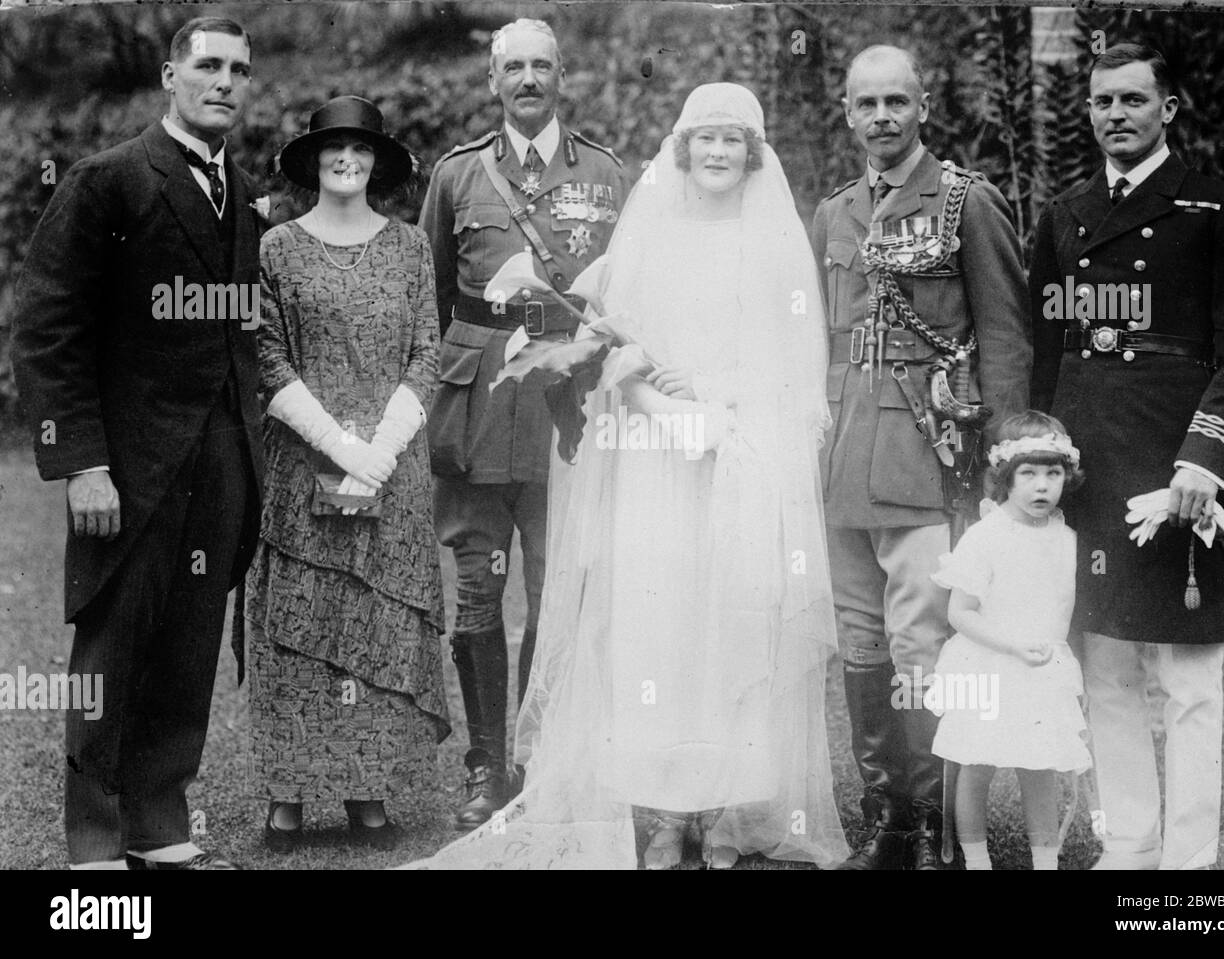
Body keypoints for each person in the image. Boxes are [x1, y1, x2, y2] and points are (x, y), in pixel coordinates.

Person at [403, 82, 848, 870]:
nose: (717, 153)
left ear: (753, 155)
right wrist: (662, 405)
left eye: (733, 141)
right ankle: (666, 811)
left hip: (740, 457)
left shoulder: (775, 241)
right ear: (682, 149)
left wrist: (720, 404)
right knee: (660, 636)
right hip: (655, 461)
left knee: (730, 633)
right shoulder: (648, 238)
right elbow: (612, 347)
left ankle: (721, 809)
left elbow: (795, 361)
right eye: (704, 139)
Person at [10, 17, 263, 870]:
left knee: (187, 646)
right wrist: (82, 461)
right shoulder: (108, 179)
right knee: (111, 648)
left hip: (218, 460)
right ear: (169, 75)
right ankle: (93, 842)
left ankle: (159, 827)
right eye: (209, 66)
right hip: (127, 465)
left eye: (239, 69)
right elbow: (48, 327)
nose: (225, 81)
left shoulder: (243, 193)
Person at [1030, 43, 1224, 870]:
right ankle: (1129, 846)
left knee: (1189, 684)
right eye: (1102, 103)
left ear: (1168, 108)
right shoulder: (1065, 215)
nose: (1115, 116)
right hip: (1093, 470)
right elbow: (1044, 351)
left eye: (1133, 101)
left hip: (1181, 471)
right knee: (1104, 666)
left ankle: (1189, 861)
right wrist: (1035, 454)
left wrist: (1203, 466)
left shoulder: (1214, 208)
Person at [811, 44, 1031, 869]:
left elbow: (1005, 335)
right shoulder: (836, 212)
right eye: (866, 104)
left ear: (924, 105)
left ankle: (936, 818)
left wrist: (1007, 462)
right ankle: (887, 817)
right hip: (844, 455)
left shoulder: (967, 202)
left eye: (895, 102)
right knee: (861, 639)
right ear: (847, 112)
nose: (881, 118)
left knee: (921, 642)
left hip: (928, 452)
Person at [417, 18, 626, 830]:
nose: (529, 80)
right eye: (515, 68)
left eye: (543, 66)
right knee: (478, 586)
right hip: (478, 408)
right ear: (493, 80)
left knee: (557, 586)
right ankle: (484, 763)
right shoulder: (459, 176)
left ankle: (540, 754)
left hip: (566, 410)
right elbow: (432, 295)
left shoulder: (605, 174)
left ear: (563, 76)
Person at [246, 96, 450, 852]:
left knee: (376, 625)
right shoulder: (276, 249)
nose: (347, 160)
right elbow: (268, 356)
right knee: (299, 627)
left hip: (392, 468)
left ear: (376, 162)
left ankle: (368, 791)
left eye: (360, 149)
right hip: (304, 464)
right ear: (312, 159)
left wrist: (381, 450)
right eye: (333, 148)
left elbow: (427, 351)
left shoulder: (408, 248)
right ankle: (288, 796)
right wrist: (336, 443)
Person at [929, 411, 1093, 870]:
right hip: (989, 663)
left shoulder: (1068, 540)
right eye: (1029, 474)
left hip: (1041, 667)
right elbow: (959, 612)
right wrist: (1011, 646)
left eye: (1053, 473)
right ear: (1006, 477)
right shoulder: (987, 536)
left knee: (1039, 766)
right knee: (977, 761)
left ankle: (1045, 861)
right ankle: (977, 860)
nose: (1042, 486)